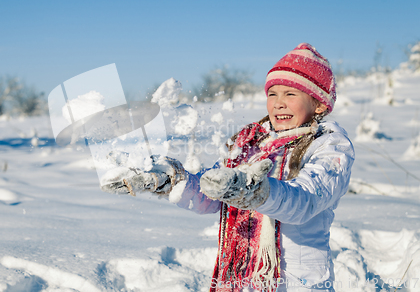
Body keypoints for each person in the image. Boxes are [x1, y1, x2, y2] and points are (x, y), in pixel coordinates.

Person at [101, 43, 355, 292]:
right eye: (272, 94)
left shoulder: (329, 146)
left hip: (299, 282)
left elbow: (304, 202)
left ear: (319, 104)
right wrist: (171, 181)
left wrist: (255, 192)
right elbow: (212, 194)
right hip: (242, 279)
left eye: (290, 94)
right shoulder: (252, 142)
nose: (278, 103)